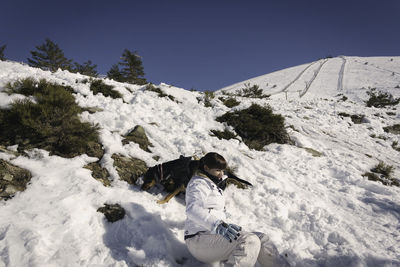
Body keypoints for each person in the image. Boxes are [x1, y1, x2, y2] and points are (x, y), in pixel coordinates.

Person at [184, 152, 289, 267]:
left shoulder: (212, 185)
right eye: (218, 170)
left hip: (213, 237)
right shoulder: (198, 184)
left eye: (222, 171)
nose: (221, 174)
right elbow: (192, 209)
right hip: (198, 240)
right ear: (206, 168)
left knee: (261, 238)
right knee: (249, 240)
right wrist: (216, 224)